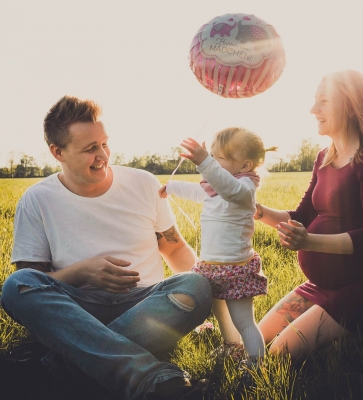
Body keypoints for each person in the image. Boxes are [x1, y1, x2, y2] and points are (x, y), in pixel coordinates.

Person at [0, 96, 213, 400]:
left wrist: (205, 309)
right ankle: (152, 378)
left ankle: (64, 365)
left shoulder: (143, 183)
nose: (102, 155)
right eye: (90, 149)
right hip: (75, 311)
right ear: (57, 152)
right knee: (15, 286)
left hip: (145, 308)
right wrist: (83, 272)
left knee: (197, 284)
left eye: (104, 143)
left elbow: (174, 247)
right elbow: (32, 282)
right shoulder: (37, 200)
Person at [255, 70, 363, 360]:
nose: (313, 110)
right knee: (252, 343)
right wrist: (258, 211)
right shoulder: (324, 157)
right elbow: (300, 216)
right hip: (324, 285)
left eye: (323, 101)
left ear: (350, 105)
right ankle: (354, 335)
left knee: (278, 355)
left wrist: (309, 242)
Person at [160, 128, 276, 364]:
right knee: (222, 316)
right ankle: (231, 347)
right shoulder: (216, 188)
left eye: (218, 158)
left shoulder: (243, 190)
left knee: (244, 322)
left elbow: (228, 188)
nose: (212, 162)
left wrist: (203, 161)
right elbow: (197, 191)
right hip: (210, 266)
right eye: (211, 156)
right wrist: (171, 188)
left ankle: (255, 367)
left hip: (235, 268)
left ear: (244, 165)